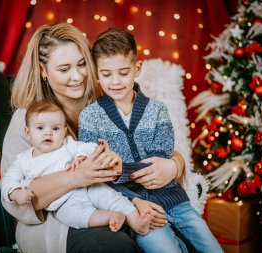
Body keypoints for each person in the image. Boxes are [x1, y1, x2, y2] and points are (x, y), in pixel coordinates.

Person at [1, 22, 186, 253]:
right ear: (42, 70)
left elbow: (153, 147)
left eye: (81, 64)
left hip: (118, 202)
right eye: (64, 69)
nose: (77, 76)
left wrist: (175, 164)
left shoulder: (109, 100)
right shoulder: (27, 119)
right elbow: (17, 198)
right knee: (111, 246)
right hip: (57, 222)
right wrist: (76, 177)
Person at [78, 27, 223, 253]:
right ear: (96, 73)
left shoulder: (157, 110)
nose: (115, 81)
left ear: (137, 69)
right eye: (106, 74)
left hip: (174, 199)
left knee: (211, 247)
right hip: (133, 207)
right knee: (167, 249)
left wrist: (119, 169)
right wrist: (130, 194)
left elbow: (161, 158)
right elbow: (97, 174)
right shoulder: (90, 117)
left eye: (123, 72)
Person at [0, 101, 151, 235]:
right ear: (28, 133)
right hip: (64, 202)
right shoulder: (23, 160)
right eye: (40, 128)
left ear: (64, 131)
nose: (48, 133)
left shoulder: (68, 145)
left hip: (89, 187)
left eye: (55, 129)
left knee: (112, 197)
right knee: (75, 216)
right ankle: (110, 217)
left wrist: (81, 156)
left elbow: (89, 147)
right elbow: (7, 181)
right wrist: (15, 193)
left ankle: (136, 221)